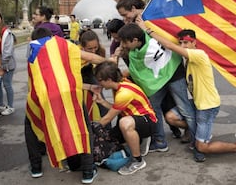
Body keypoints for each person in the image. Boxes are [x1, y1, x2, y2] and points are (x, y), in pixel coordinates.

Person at [139, 22, 236, 162]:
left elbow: (169, 46)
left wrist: (147, 30)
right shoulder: (187, 60)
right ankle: (199, 131)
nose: (183, 46)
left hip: (207, 107)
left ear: (195, 43)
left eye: (186, 43)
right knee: (170, 117)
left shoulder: (199, 55)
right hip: (197, 103)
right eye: (181, 43)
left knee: (202, 148)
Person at [25, 27, 110, 184]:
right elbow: (90, 57)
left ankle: (36, 167)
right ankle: (88, 171)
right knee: (83, 128)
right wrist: (108, 61)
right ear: (51, 37)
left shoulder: (32, 49)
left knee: (30, 126)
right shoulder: (62, 44)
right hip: (70, 94)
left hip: (43, 95)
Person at [116, 22, 196, 154]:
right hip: (156, 81)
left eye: (125, 42)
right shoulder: (133, 53)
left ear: (135, 40)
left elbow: (168, 44)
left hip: (174, 73)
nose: (123, 45)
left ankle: (196, 140)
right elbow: (136, 71)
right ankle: (159, 141)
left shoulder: (154, 35)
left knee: (185, 108)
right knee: (153, 109)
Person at [91, 61, 157, 175]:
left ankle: (137, 161)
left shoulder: (123, 93)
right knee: (111, 138)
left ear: (109, 80)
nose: (99, 83)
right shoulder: (119, 83)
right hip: (134, 118)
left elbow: (107, 118)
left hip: (148, 121)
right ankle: (140, 139)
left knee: (124, 123)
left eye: (100, 80)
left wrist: (89, 130)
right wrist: (102, 101)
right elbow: (116, 108)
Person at [79, 29, 108, 121]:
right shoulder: (76, 52)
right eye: (89, 49)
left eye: (95, 47)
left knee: (101, 101)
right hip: (77, 75)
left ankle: (107, 130)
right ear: (82, 47)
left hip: (90, 73)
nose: (93, 51)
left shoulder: (101, 50)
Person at [0, 10, 16, 116]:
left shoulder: (6, 33)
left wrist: (1, 67)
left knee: (7, 85)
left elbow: (7, 52)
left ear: (1, 19)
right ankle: (1, 105)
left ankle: (11, 106)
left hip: (6, 64)